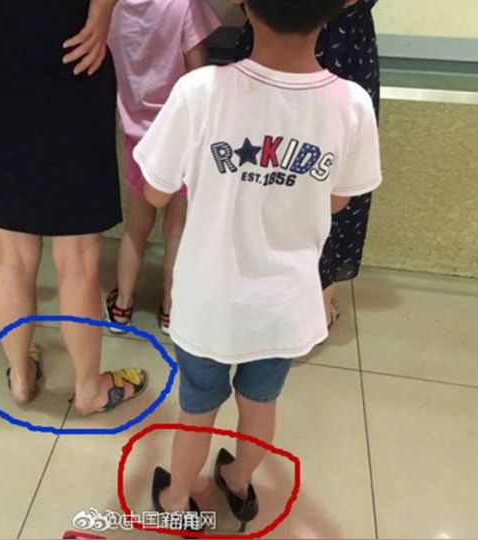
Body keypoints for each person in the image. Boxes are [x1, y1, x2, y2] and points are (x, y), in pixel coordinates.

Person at [135, 0, 382, 533]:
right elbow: (339, 199)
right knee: (261, 403)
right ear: (337, 9)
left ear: (244, 4)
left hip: (209, 302)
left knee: (197, 409)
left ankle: (176, 498)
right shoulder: (352, 104)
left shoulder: (199, 92)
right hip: (284, 306)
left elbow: (155, 191)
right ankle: (240, 481)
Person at [0, 0, 148, 413]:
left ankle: (22, 378)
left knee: (12, 256)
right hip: (70, 52)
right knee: (78, 259)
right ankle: (89, 390)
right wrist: (102, 11)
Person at [235, 0, 379, 328]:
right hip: (280, 44)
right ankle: (297, 302)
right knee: (262, 172)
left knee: (321, 172)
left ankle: (314, 302)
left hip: (332, 46)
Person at [103, 0, 222, 336]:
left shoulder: (111, 6)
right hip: (183, 135)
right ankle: (170, 308)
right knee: (176, 230)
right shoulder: (185, 5)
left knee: (136, 227)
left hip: (138, 138)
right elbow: (198, 75)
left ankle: (122, 306)